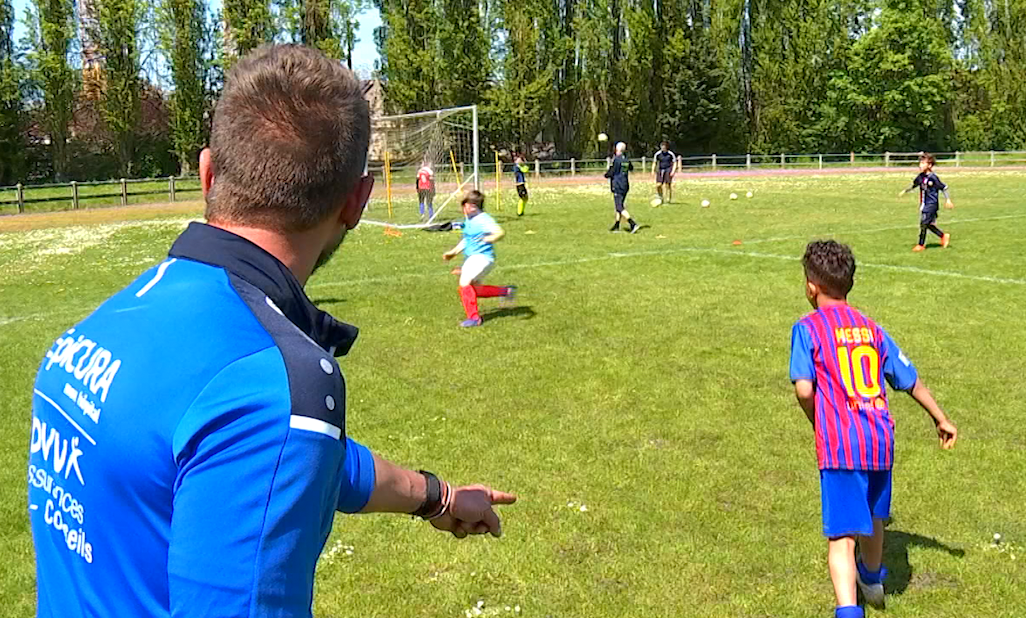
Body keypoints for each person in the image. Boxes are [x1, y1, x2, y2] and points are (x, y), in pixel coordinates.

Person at [27, 44, 516, 618]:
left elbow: (304, 458)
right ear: (357, 203)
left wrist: (438, 497)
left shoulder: (111, 319)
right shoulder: (273, 384)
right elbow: (270, 440)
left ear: (208, 174)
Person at [788, 240, 958, 618]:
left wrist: (816, 417)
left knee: (841, 536)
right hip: (880, 437)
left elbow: (803, 387)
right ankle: (873, 578)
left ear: (811, 286)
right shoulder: (870, 328)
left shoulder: (807, 328)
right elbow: (908, 378)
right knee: (875, 516)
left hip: (841, 442)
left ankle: (849, 610)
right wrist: (940, 418)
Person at [442, 190, 516, 328]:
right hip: (474, 258)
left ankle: (474, 318)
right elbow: (467, 240)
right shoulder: (469, 220)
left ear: (473, 206)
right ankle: (507, 291)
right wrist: (453, 252)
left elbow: (500, 232)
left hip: (482, 258)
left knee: (464, 283)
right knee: (475, 290)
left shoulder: (483, 219)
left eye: (466, 206)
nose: (464, 209)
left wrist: (490, 238)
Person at [899, 152, 953, 251]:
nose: (921, 165)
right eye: (920, 163)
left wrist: (948, 199)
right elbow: (915, 185)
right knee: (927, 224)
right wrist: (906, 190)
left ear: (930, 165)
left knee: (923, 223)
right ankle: (943, 236)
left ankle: (920, 245)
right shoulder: (920, 177)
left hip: (932, 204)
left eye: (923, 163)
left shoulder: (933, 177)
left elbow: (944, 187)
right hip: (924, 204)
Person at [606, 141, 639, 233]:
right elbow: (631, 168)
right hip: (625, 184)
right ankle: (616, 225)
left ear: (617, 149)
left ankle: (633, 224)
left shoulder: (616, 159)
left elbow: (612, 172)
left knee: (619, 207)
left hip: (618, 185)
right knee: (619, 205)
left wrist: (606, 174)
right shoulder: (626, 159)